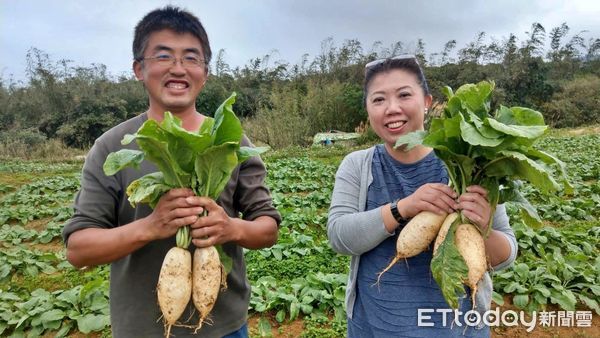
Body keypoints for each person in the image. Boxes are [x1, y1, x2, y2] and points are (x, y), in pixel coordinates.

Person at [63, 6, 280, 338]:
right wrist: (151, 226)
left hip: (224, 328)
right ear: (139, 68)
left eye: (191, 58)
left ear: (205, 72)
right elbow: (78, 250)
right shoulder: (111, 146)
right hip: (140, 329)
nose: (178, 69)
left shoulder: (230, 141)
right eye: (163, 56)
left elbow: (267, 229)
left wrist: (230, 227)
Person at [327, 55, 517, 337]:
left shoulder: (474, 164)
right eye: (378, 100)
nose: (392, 109)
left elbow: (507, 255)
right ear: (367, 110)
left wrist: (481, 226)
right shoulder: (358, 165)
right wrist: (402, 208)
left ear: (427, 102)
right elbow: (340, 236)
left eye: (404, 95)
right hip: (374, 328)